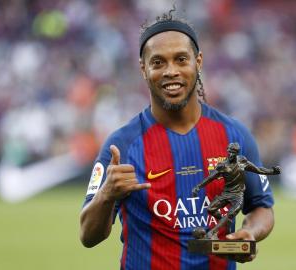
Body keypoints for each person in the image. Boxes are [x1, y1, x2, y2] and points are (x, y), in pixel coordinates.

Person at [79, 9, 275, 270]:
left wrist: (250, 232)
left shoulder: (234, 136)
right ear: (143, 69)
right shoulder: (122, 146)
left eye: (181, 59)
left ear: (199, 62)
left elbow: (262, 207)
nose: (171, 71)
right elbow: (88, 236)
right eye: (158, 62)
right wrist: (106, 195)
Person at [192, 142, 280, 239]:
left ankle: (212, 232)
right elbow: (210, 178)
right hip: (226, 193)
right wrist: (198, 187)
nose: (230, 154)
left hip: (238, 195)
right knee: (211, 209)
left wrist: (272, 172)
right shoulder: (223, 166)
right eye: (229, 152)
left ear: (237, 153)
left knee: (230, 214)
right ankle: (223, 221)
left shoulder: (242, 162)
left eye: (233, 152)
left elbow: (258, 170)